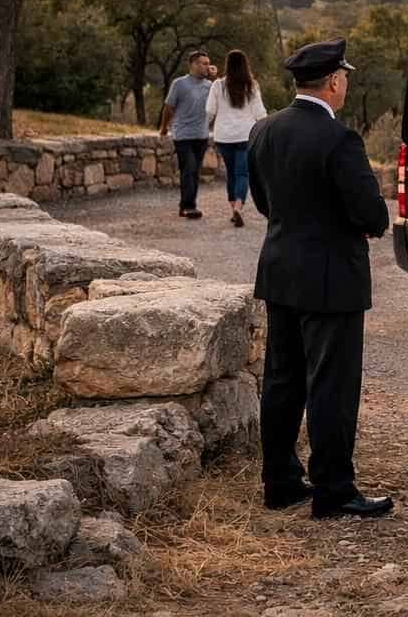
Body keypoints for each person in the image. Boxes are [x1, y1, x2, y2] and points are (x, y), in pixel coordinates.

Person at [248, 38, 393, 520]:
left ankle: (281, 481)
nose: (346, 83)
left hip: (281, 271)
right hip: (332, 280)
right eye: (345, 77)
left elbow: (264, 203)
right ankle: (333, 489)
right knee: (332, 384)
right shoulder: (340, 140)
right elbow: (372, 214)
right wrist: (363, 223)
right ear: (333, 82)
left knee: (282, 379)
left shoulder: (263, 130)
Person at [206, 49, 267, 228]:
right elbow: (260, 113)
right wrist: (265, 130)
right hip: (246, 135)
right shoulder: (252, 86)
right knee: (243, 173)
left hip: (223, 137)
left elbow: (209, 111)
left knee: (231, 173)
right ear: (245, 65)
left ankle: (233, 207)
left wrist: (206, 125)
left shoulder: (218, 85)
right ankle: (239, 207)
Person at [160, 50, 217, 219]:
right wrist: (164, 128)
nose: (207, 66)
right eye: (204, 63)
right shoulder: (179, 84)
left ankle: (188, 205)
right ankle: (188, 206)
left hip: (201, 135)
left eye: (208, 63)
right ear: (193, 64)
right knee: (189, 168)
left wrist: (214, 78)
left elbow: (219, 102)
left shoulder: (210, 86)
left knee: (194, 171)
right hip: (183, 134)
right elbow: (168, 108)